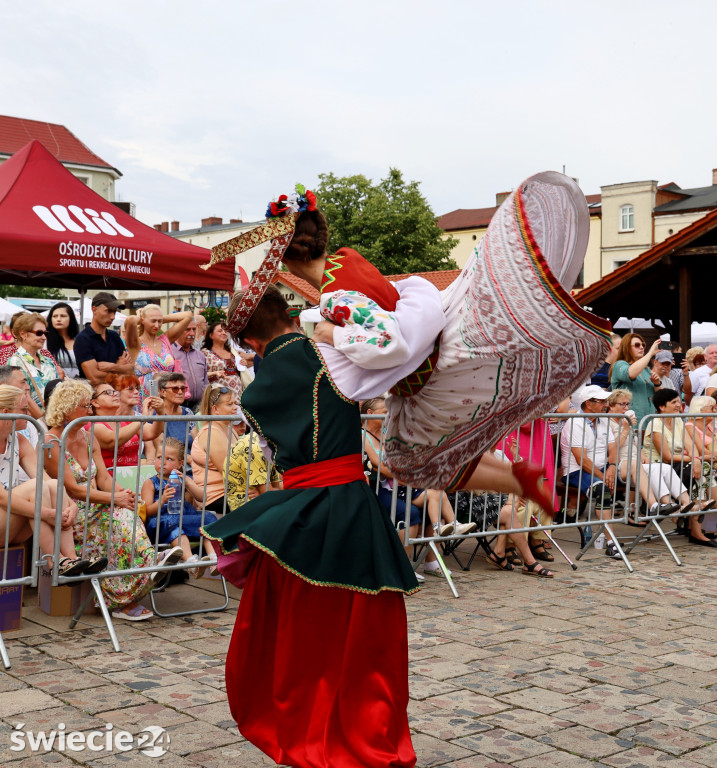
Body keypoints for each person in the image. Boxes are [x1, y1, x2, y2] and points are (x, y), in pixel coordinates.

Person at [201, 288, 418, 768]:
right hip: (348, 507)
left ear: (248, 342)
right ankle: (363, 731)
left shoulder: (254, 392)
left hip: (295, 518)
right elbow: (396, 347)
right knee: (364, 636)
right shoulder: (330, 352)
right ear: (286, 313)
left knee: (300, 639)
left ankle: (303, 730)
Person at [44, 379, 159, 620]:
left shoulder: (87, 436)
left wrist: (123, 494)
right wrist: (114, 499)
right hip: (72, 512)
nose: (89, 411)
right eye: (85, 406)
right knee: (118, 519)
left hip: (99, 503)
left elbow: (104, 478)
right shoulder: (53, 442)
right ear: (66, 408)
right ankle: (135, 584)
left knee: (126, 514)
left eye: (89, 406)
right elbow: (73, 490)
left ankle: (149, 565)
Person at [0, 384, 93, 576]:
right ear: (5, 412)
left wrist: (70, 505)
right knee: (36, 487)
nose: (31, 414)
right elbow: (1, 498)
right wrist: (47, 513)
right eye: (24, 410)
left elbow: (49, 481)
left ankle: (70, 559)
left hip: (9, 522)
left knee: (51, 485)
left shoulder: (20, 441)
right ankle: (55, 562)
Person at [643, 388, 717, 547]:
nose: (679, 405)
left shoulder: (677, 420)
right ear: (662, 407)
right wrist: (695, 459)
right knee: (700, 470)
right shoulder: (655, 423)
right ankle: (696, 524)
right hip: (661, 467)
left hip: (680, 464)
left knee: (701, 468)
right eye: (674, 402)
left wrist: (696, 458)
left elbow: (690, 446)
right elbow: (667, 457)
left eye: (679, 401)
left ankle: (695, 517)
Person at [141, 438, 218, 578]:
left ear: (180, 463)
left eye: (169, 459)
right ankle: (190, 562)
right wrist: (163, 499)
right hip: (160, 523)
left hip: (182, 518)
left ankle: (213, 558)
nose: (163, 462)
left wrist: (189, 484)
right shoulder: (150, 483)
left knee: (209, 517)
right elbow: (147, 511)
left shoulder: (182, 479)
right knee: (174, 522)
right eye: (159, 457)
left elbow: (202, 498)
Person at [606, 389, 683, 522]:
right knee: (654, 470)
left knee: (664, 468)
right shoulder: (607, 422)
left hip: (636, 462)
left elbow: (636, 445)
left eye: (627, 404)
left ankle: (684, 504)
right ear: (611, 406)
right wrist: (625, 429)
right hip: (621, 464)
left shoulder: (625, 422)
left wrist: (644, 456)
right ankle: (664, 507)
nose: (626, 408)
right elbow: (613, 450)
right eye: (622, 404)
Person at [89, 375, 165, 469]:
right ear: (95, 402)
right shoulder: (92, 424)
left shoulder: (127, 420)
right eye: (108, 392)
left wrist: (160, 413)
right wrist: (144, 418)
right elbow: (114, 440)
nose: (115, 394)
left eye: (114, 391)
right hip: (110, 479)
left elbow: (152, 433)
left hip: (133, 477)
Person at [191, 384, 244, 514]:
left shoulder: (229, 429)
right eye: (229, 404)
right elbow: (230, 471)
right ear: (215, 409)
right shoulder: (212, 432)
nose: (235, 407)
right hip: (215, 497)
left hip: (232, 491)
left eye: (235, 403)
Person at [125, 305, 192, 404]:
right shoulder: (136, 343)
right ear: (142, 320)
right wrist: (142, 318)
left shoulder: (165, 339)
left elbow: (188, 315)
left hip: (168, 399)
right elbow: (130, 320)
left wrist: (158, 318)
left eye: (159, 321)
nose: (157, 325)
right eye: (153, 321)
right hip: (144, 400)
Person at [8, 312, 63, 420]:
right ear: (23, 334)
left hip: (54, 421)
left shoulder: (48, 361)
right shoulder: (15, 362)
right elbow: (24, 398)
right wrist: (45, 423)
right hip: (31, 423)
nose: (43, 337)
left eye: (45, 333)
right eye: (39, 333)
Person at [74, 292, 134, 385]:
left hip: (117, 394)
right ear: (94, 309)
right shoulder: (83, 339)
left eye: (114, 312)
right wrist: (120, 368)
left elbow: (131, 371)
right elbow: (94, 379)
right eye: (108, 311)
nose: (113, 316)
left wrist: (113, 367)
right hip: (94, 396)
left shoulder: (114, 336)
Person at [610, 333, 662, 423]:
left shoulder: (646, 370)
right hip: (629, 422)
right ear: (627, 347)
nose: (641, 347)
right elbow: (630, 373)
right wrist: (650, 353)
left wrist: (657, 383)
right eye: (637, 345)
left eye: (643, 345)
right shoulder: (619, 365)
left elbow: (661, 395)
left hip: (649, 421)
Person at [154, 372, 197, 456]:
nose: (180, 392)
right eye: (175, 389)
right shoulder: (156, 414)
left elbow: (197, 443)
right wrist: (190, 460)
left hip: (194, 461)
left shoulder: (188, 412)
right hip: (171, 463)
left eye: (183, 388)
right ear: (163, 392)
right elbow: (162, 450)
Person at [170, 319, 208, 411]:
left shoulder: (200, 355)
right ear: (177, 330)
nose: (192, 333)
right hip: (177, 407)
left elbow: (206, 382)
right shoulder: (169, 353)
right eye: (187, 329)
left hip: (199, 407)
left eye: (194, 329)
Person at [201, 321, 243, 396]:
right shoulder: (205, 353)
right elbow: (199, 375)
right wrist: (214, 373)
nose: (224, 333)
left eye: (225, 331)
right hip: (218, 396)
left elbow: (243, 370)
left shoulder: (233, 351)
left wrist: (243, 363)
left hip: (237, 394)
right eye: (220, 331)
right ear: (211, 335)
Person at [46, 302, 80, 379]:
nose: (58, 319)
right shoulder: (44, 341)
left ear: (71, 318)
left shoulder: (80, 341)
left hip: (79, 385)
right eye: (55, 316)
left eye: (63, 316)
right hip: (54, 385)